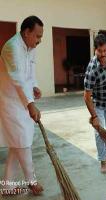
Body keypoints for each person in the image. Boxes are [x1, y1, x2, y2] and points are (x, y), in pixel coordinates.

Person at [0, 16, 44, 195]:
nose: (39, 41)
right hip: (9, 101)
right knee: (23, 142)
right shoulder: (12, 47)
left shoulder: (30, 47)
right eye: (37, 36)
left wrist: (34, 85)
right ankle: (31, 181)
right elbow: (17, 78)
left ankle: (7, 187)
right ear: (26, 32)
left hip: (22, 100)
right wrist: (30, 104)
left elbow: (30, 70)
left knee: (16, 144)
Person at [83, 34, 106, 173]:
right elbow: (86, 96)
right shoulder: (92, 70)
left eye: (105, 50)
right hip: (98, 104)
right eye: (100, 51)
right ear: (95, 50)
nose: (103, 54)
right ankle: (102, 161)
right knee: (99, 133)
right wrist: (94, 116)